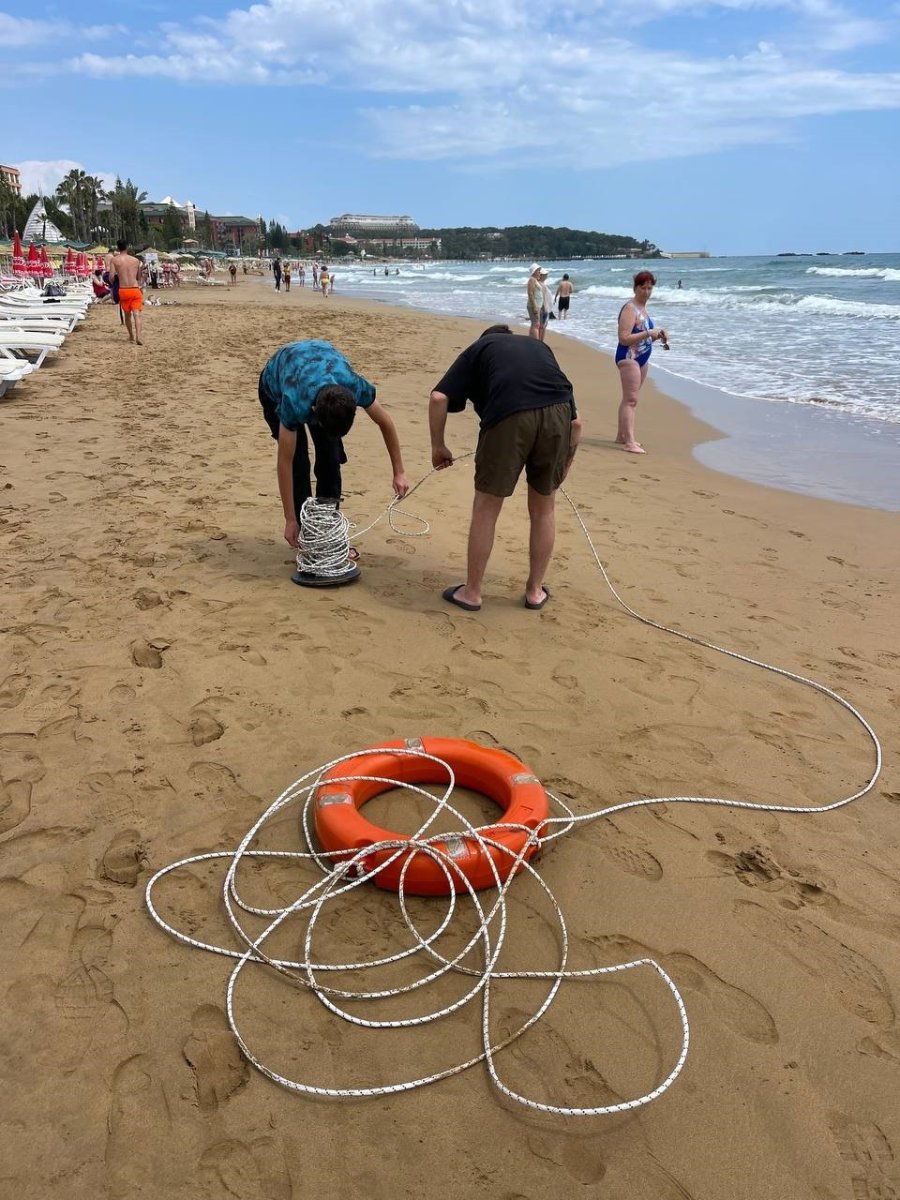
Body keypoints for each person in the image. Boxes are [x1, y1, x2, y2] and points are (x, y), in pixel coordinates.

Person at [429, 325, 581, 611]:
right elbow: (577, 424)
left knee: (486, 507)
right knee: (544, 509)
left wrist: (438, 447)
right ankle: (535, 591)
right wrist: (565, 466)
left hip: (509, 414)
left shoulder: (481, 347)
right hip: (558, 413)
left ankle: (472, 593)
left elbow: (438, 398)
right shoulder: (539, 347)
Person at [258, 340, 410, 550]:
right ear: (314, 411)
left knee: (330, 458)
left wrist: (399, 472)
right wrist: (290, 519)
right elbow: (286, 462)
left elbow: (385, 422)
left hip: (321, 369)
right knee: (299, 463)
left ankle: (327, 530)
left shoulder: (355, 386)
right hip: (276, 383)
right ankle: (307, 532)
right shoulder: (294, 402)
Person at [615, 270, 668, 454]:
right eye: (643, 288)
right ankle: (630, 442)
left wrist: (657, 335)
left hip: (642, 358)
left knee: (629, 398)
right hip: (628, 357)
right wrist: (647, 333)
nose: (646, 292)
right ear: (635, 288)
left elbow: (644, 337)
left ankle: (621, 436)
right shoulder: (630, 308)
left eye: (649, 288)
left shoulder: (643, 309)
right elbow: (624, 338)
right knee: (631, 399)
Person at [108, 238, 145, 345]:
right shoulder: (135, 260)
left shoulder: (114, 260)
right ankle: (139, 336)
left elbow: (111, 277)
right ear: (127, 247)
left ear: (118, 247)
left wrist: (116, 280)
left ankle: (131, 336)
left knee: (127, 315)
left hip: (123, 290)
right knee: (137, 314)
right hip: (135, 289)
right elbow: (139, 277)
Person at [526, 263, 544, 340]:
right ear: (534, 271)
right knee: (536, 324)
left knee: (535, 324)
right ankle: (535, 341)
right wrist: (534, 306)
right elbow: (530, 293)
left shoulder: (535, 280)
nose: (539, 272)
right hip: (534, 305)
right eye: (538, 270)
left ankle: (531, 340)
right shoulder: (532, 280)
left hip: (537, 305)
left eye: (539, 270)